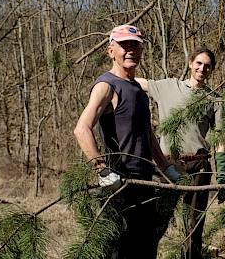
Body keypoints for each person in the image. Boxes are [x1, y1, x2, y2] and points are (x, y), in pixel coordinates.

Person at [73, 24, 181, 259]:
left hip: (145, 182)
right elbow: (82, 129)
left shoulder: (138, 90)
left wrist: (166, 167)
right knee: (120, 252)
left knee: (146, 249)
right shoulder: (106, 86)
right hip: (120, 185)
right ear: (111, 51)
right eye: (124, 46)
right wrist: (102, 170)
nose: (131, 50)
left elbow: (147, 134)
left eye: (135, 46)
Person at [136, 47, 225, 259]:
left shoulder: (214, 99)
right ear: (190, 63)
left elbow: (220, 141)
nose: (202, 69)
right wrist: (114, 76)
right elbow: (140, 83)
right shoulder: (168, 86)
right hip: (167, 165)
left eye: (207, 66)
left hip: (199, 166)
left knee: (193, 227)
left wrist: (223, 176)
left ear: (212, 70)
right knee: (155, 222)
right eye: (198, 63)